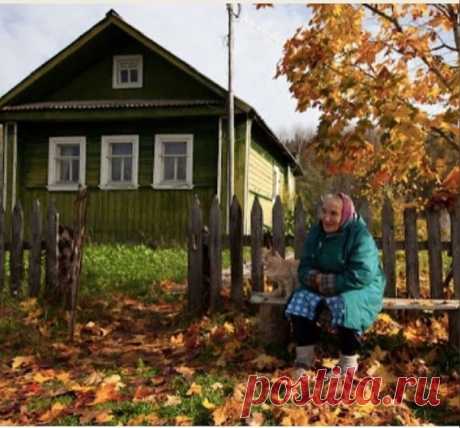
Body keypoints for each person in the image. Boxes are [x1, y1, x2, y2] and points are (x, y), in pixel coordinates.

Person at [285, 193, 386, 375]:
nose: (327, 218)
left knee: (346, 304)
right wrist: (313, 277)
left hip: (360, 286)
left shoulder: (360, 235)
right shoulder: (316, 233)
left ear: (345, 214)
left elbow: (363, 273)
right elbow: (305, 266)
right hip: (323, 282)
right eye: (324, 212)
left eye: (334, 213)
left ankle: (348, 363)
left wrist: (328, 282)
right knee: (300, 299)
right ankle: (304, 358)